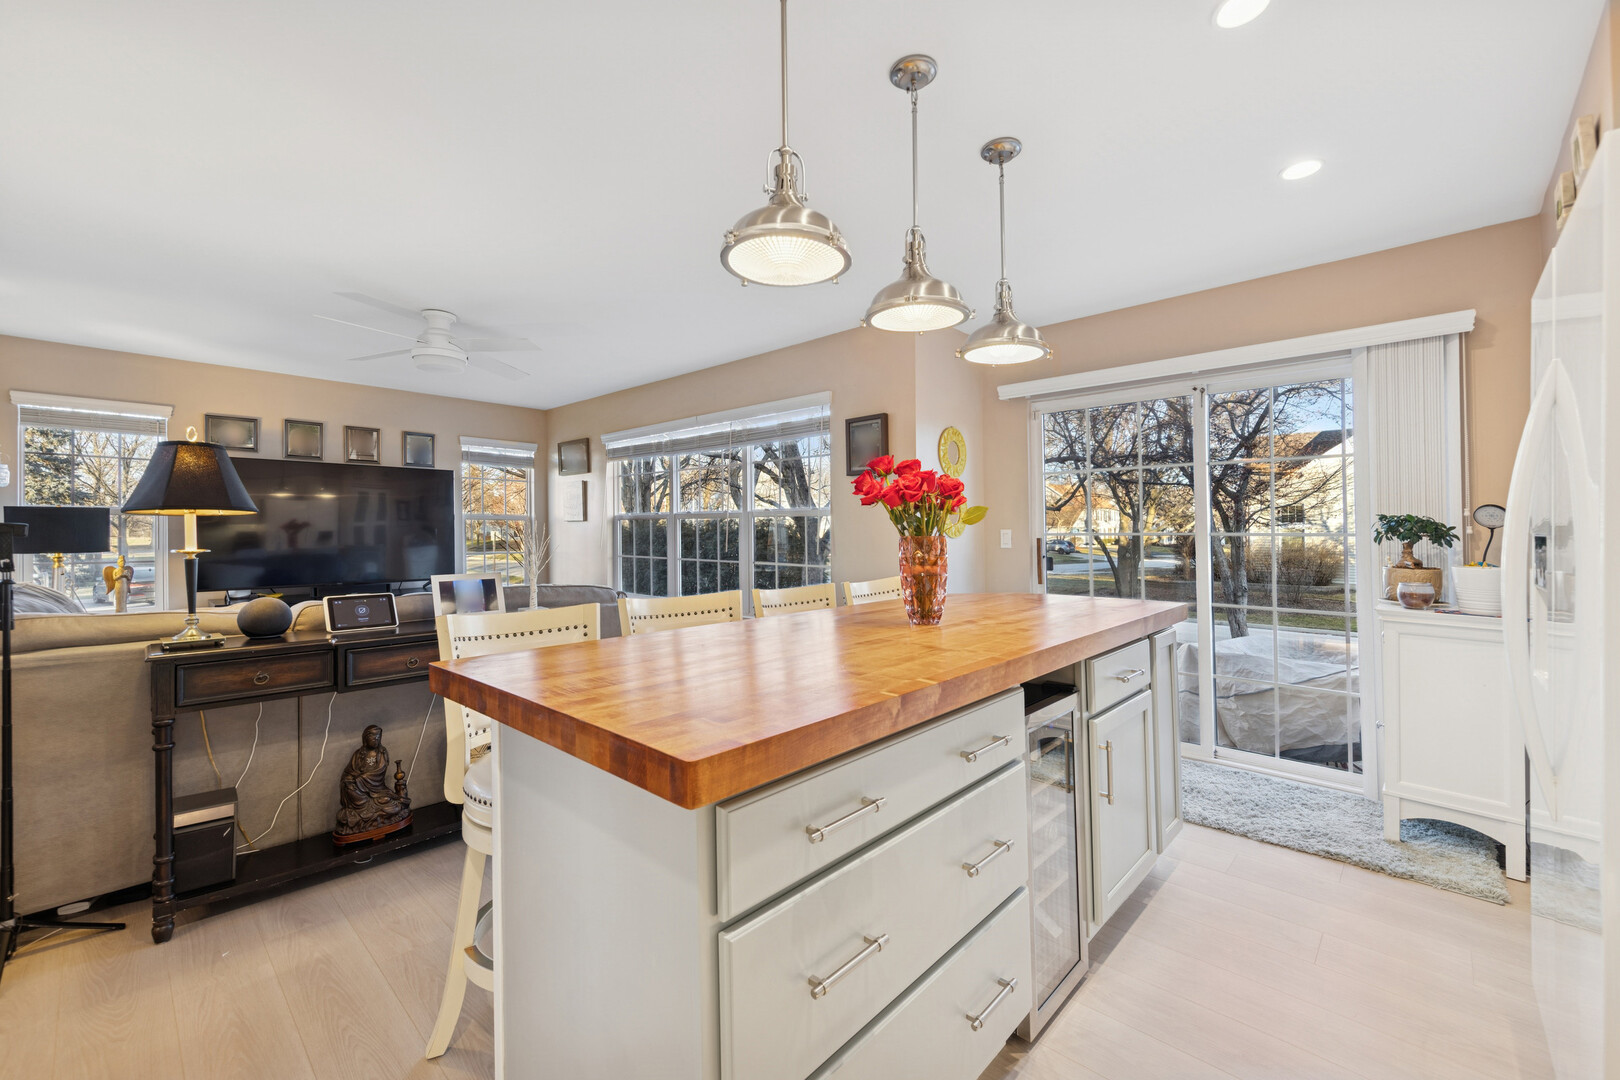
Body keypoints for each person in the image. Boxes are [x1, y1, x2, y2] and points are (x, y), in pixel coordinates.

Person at [334, 725, 411, 838]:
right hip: (360, 791)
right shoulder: (358, 754)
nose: (376, 740)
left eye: (378, 737)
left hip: (378, 789)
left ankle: (368, 809)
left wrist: (361, 778)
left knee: (387, 800)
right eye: (373, 737)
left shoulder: (381, 752)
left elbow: (380, 771)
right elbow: (349, 772)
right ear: (366, 738)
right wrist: (349, 781)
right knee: (348, 787)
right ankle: (365, 808)